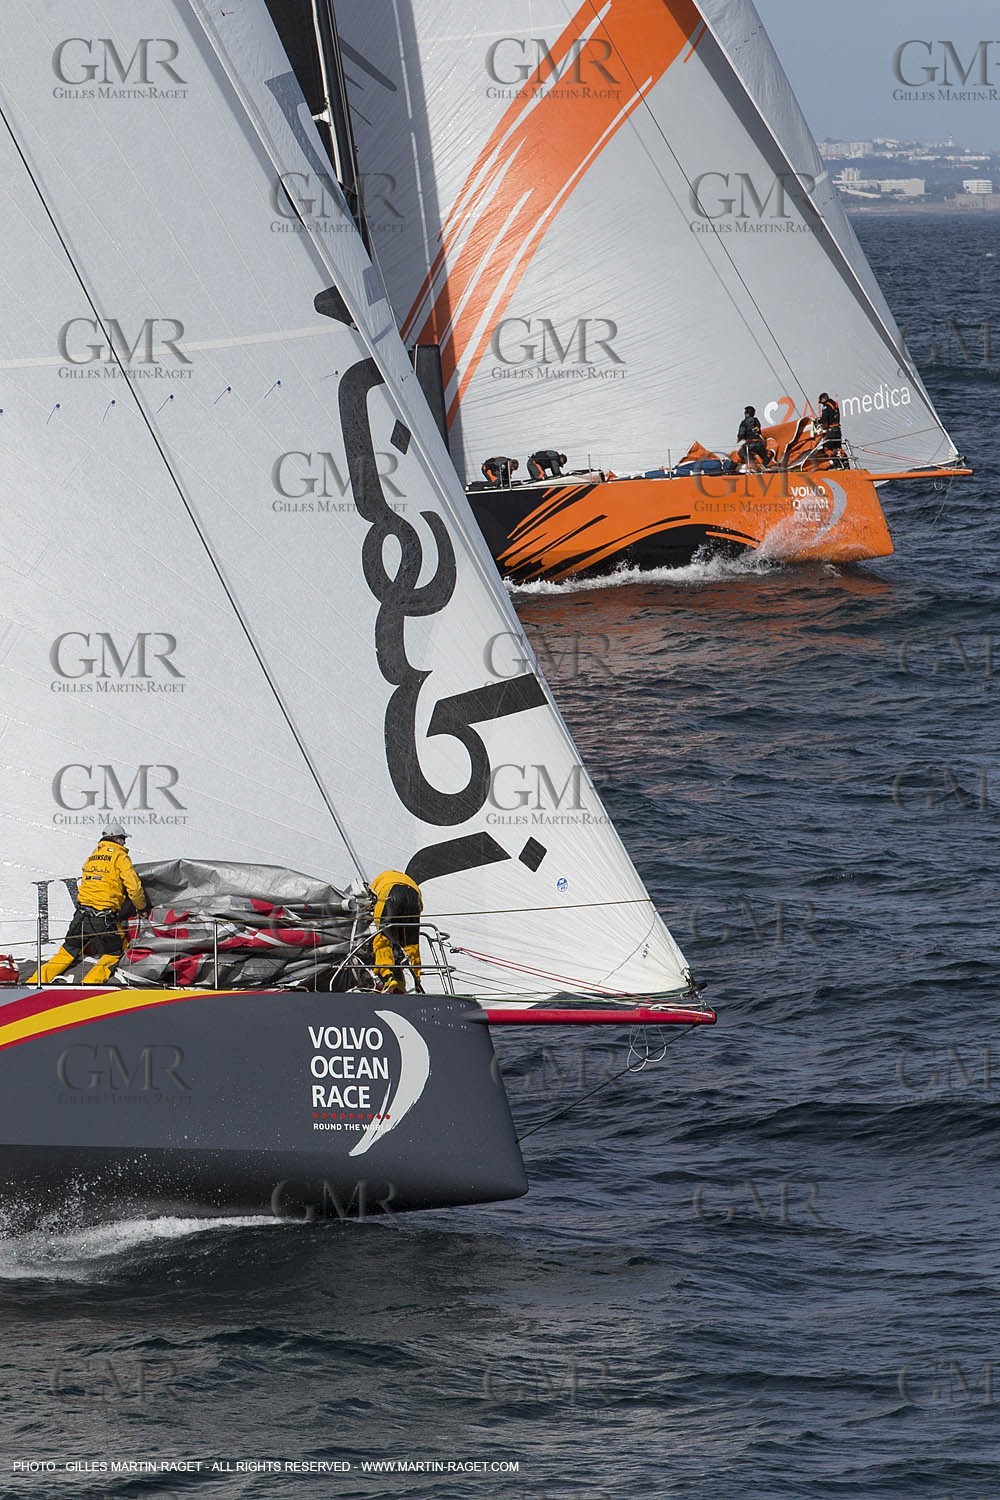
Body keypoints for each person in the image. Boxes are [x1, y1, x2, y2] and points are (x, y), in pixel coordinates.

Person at [29, 825, 148, 985]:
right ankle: (91, 984)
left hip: (80, 915)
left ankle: (34, 981)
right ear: (117, 838)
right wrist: (142, 908)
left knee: (68, 950)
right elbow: (134, 887)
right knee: (115, 951)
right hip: (104, 917)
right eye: (123, 839)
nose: (124, 843)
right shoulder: (120, 857)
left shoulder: (93, 856)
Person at [368, 869, 423, 994]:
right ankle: (416, 979)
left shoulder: (375, 886)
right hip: (414, 897)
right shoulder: (405, 879)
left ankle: (387, 976)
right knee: (411, 943)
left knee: (382, 938)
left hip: (390, 892)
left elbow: (370, 911)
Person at [816, 392, 845, 467]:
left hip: (831, 431)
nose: (822, 404)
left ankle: (836, 464)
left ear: (823, 399)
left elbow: (824, 419)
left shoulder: (826, 406)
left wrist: (818, 421)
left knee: (827, 448)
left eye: (821, 402)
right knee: (838, 448)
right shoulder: (835, 404)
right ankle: (845, 463)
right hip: (838, 430)